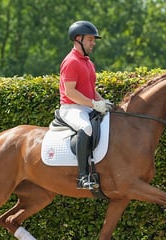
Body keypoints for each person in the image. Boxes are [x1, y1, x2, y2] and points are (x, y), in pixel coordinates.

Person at [59, 21, 113, 190]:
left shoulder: (88, 62)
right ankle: (82, 177)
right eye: (90, 39)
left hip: (86, 106)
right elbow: (70, 92)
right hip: (71, 108)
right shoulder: (71, 62)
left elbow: (90, 90)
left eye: (93, 40)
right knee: (86, 127)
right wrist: (94, 104)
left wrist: (103, 102)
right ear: (78, 39)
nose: (93, 43)